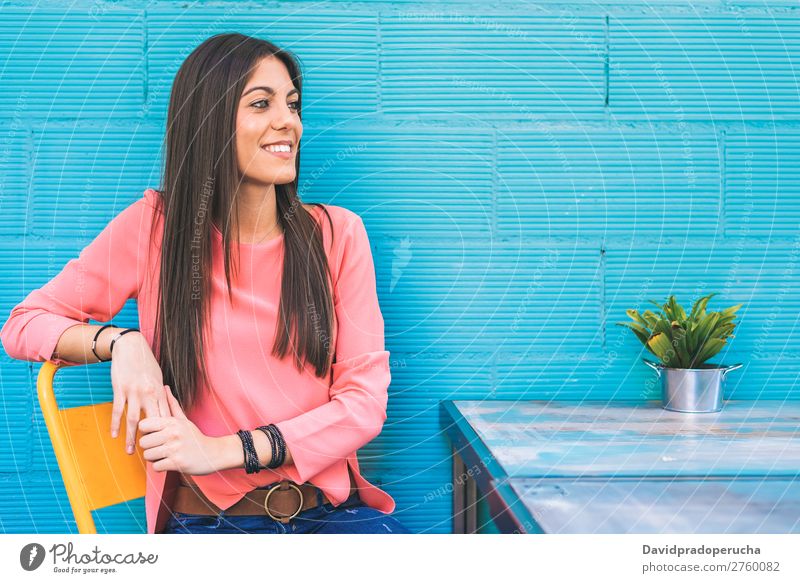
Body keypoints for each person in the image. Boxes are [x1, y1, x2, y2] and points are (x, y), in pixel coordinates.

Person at [0, 32, 409, 535]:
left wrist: (223, 450)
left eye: (293, 104)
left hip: (331, 518)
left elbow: (364, 405)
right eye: (261, 103)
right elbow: (23, 323)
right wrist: (121, 343)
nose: (289, 122)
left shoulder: (338, 235)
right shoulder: (153, 228)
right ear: (209, 121)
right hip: (211, 526)